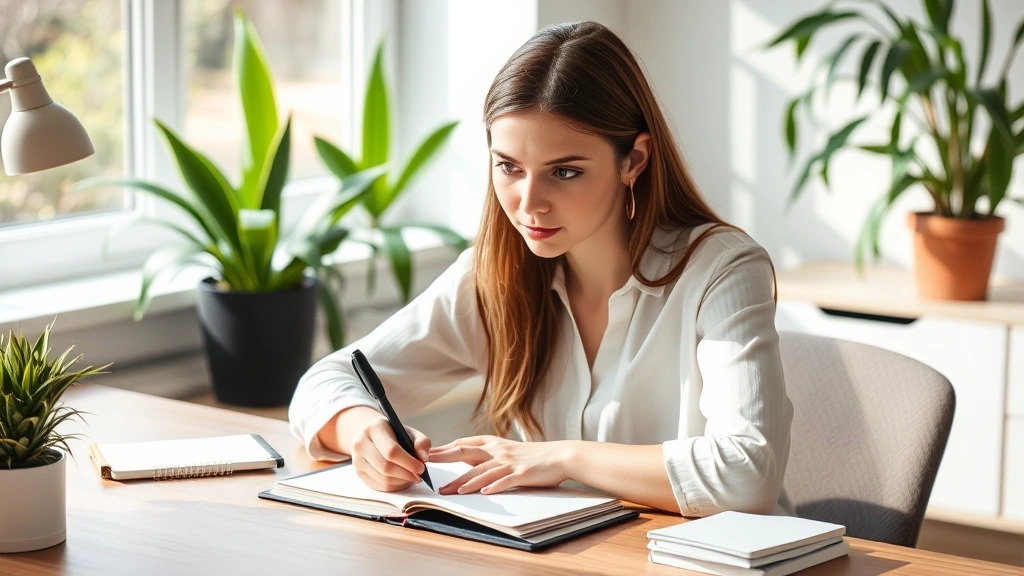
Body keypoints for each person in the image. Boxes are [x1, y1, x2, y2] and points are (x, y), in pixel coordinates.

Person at [289, 21, 794, 517]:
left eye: (565, 172)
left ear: (634, 160)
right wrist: (363, 432)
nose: (529, 204)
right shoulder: (495, 276)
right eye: (509, 166)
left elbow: (747, 474)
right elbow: (324, 380)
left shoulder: (721, 269)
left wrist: (558, 456)